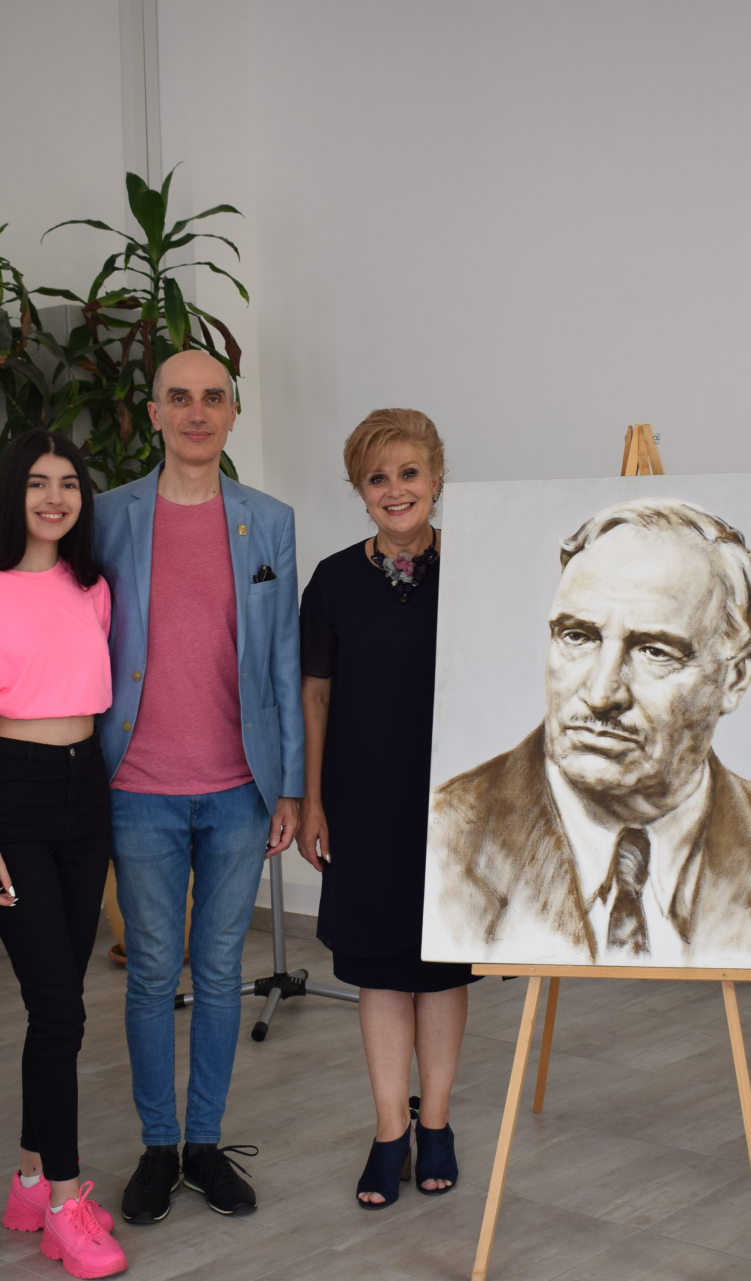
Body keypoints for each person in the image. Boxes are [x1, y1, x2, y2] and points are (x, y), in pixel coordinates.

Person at [425, 498, 751, 968]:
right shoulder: (444, 838)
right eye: (577, 636)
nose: (601, 694)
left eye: (654, 651)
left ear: (735, 679)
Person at [94, 349, 304, 1225]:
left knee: (220, 971)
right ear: (153, 413)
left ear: (231, 412)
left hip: (238, 789)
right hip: (137, 786)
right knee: (152, 971)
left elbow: (284, 659)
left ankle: (205, 1144)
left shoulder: (269, 520)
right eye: (178, 397)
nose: (195, 411)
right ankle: (157, 1145)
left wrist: (290, 783)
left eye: (212, 397)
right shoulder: (108, 515)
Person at [0, 430, 124, 1278]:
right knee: (59, 1009)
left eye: (69, 484)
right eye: (38, 483)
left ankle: (26, 1181)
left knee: (60, 1001)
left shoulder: (92, 587)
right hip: (12, 797)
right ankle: (62, 1203)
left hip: (87, 790)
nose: (55, 499)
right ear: (12, 493)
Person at [297, 409, 476, 1210]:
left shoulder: (474, 568)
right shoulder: (333, 580)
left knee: (439, 970)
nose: (395, 489)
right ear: (359, 490)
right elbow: (316, 695)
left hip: (452, 801)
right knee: (377, 968)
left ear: (436, 479)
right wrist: (312, 799)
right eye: (377, 477)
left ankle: (434, 1123)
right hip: (362, 796)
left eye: (409, 472)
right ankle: (388, 1130)